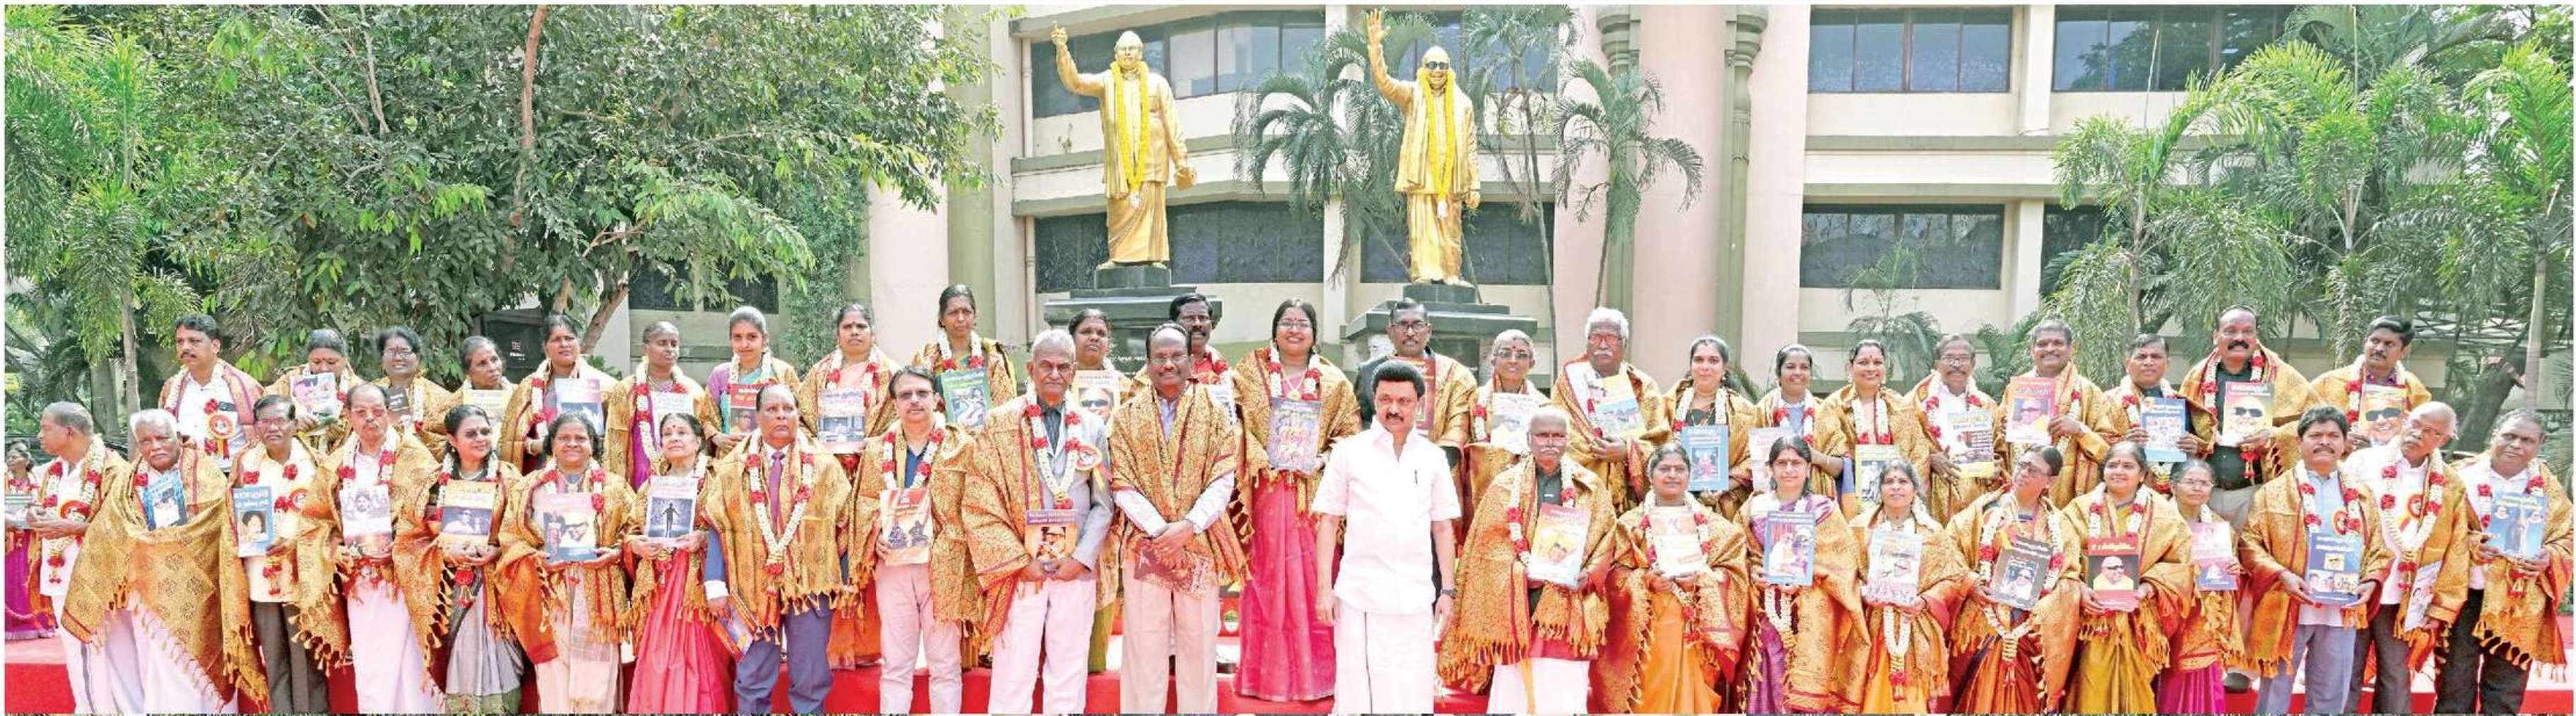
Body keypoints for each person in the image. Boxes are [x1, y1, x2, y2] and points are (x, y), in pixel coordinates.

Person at [59, 409, 262, 712]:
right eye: (145, 441)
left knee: (196, 676)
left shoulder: (204, 472)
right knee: (156, 668)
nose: (155, 447)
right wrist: (149, 543)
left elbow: (217, 526)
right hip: (148, 593)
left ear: (177, 437)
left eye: (162, 438)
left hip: (198, 595)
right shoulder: (129, 480)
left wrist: (165, 542)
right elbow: (110, 528)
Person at [967, 330, 1118, 713]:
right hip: (1021, 570)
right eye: (1045, 366)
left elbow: (1104, 502)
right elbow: (981, 499)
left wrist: (1081, 558)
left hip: (1073, 569)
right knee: (1013, 670)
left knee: (1068, 669)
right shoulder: (1000, 422)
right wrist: (1020, 562)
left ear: (1073, 372)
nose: (1054, 373)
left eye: (1063, 367)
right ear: (1030, 370)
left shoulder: (1092, 426)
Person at [1437, 407, 1619, 713]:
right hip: (1517, 608)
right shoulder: (1504, 486)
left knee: (1563, 696)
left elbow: (1607, 536)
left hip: (1568, 608)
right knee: (1514, 696)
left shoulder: (1589, 485)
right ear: (1529, 439)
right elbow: (1486, 549)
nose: (1550, 442)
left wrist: (1588, 575)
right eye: (1543, 435)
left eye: (1558, 436)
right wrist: (1520, 573)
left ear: (1568, 440)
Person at [1105, 325, 1240, 712]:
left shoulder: (1215, 412)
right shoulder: (1127, 416)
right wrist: (1161, 533)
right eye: (1160, 357)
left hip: (1198, 544)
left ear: (1190, 361)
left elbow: (1223, 477)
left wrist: (1189, 526)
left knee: (1198, 646)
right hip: (1145, 546)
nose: (1168, 364)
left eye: (1176, 356)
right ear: (1147, 364)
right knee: (1144, 644)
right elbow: (1122, 482)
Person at [1313, 359, 1461, 712]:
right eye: (1385, 400)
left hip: (1415, 594)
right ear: (1374, 400)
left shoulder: (1433, 458)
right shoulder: (1349, 452)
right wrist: (1324, 589)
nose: (1393, 409)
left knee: (1411, 685)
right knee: (1358, 690)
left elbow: (1442, 527)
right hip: (1360, 594)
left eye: (1404, 401)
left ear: (1419, 404)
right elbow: (1328, 521)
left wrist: (1448, 591)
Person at [1229, 300, 1359, 702]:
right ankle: (1264, 678)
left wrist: (1321, 460)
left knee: (1313, 579)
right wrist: (1261, 458)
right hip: (1266, 493)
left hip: (1314, 497)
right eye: (1287, 322)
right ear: (1275, 330)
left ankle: (1316, 677)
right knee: (1266, 580)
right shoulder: (1249, 372)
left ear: (1315, 334)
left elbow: (1350, 434)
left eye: (1303, 323)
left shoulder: (1334, 381)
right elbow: (1235, 423)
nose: (1295, 330)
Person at [704, 385, 856, 713]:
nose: (781, 416)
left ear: (799, 415)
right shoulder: (732, 467)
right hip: (751, 584)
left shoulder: (825, 466)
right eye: (772, 410)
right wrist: (714, 582)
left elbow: (845, 524)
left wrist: (844, 581)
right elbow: (717, 523)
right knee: (753, 674)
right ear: (757, 416)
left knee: (811, 674)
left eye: (788, 409)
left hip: (811, 584)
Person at [2241, 407, 2388, 715]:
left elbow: (2379, 548)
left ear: (2345, 443)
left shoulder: (2362, 495)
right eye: (2316, 435)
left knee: (2331, 694)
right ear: (2299, 442)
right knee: (2274, 692)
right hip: (2287, 603)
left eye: (2333, 436)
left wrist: (2371, 581)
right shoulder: (2273, 492)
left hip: (2341, 609)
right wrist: (2282, 575)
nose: (2325, 442)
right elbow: (2250, 544)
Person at [312, 383, 446, 712]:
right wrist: (335, 550)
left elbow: (433, 514)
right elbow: (315, 522)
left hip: (405, 577)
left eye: (377, 411)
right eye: (361, 412)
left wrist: (400, 546)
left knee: (410, 661)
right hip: (360, 581)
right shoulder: (334, 466)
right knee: (372, 661)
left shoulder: (416, 458)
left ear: (390, 413)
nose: (370, 419)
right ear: (348, 416)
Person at [852, 366, 974, 712]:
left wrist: (948, 541)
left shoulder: (962, 446)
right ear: (894, 404)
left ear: (937, 399)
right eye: (905, 395)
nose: (914, 400)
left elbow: (976, 502)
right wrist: (875, 536)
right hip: (893, 564)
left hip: (943, 565)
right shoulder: (878, 450)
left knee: (945, 662)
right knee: (895, 662)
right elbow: (863, 502)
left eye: (922, 393)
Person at [1595, 443, 1750, 713]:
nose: (1672, 475)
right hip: (1649, 633)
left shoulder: (1717, 528)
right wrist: (1646, 581)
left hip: (1695, 633)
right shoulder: (1630, 525)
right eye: (1664, 469)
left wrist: (1703, 580)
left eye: (1680, 469)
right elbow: (1612, 577)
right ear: (1650, 475)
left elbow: (1735, 577)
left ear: (1690, 476)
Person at [498, 412, 635, 712]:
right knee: (555, 674)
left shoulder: (614, 487)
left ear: (592, 444)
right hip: (550, 589)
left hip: (599, 589)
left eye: (580, 438)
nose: (572, 444)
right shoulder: (529, 487)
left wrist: (616, 552)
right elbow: (510, 538)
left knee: (597, 679)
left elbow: (633, 531)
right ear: (551, 444)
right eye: (564, 438)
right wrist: (535, 558)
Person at [2345, 403, 2471, 714]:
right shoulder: (2363, 462)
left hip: (2407, 595)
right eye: (2415, 424)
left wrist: (2441, 605)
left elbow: (2457, 547)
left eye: (2431, 431)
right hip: (2356, 586)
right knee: (2346, 669)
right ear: (2404, 420)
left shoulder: (2451, 483)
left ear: (2444, 439)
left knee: (2396, 673)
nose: (2417, 433)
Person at [2439, 410, 2568, 713]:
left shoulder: (2548, 487)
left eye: (2526, 440)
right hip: (2463, 596)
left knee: (2506, 690)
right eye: (2509, 436)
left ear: (2539, 443)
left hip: (2518, 601)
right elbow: (2436, 530)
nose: (2516, 445)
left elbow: (2567, 536)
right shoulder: (2460, 476)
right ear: (2495, 433)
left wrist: (2549, 557)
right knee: (2454, 684)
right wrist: (2471, 545)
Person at [1944, 446, 2083, 712]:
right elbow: (1949, 548)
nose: (2023, 473)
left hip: (2030, 625)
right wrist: (1971, 583)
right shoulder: (1985, 510)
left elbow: (2069, 577)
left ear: (2050, 481)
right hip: (1984, 617)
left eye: (2033, 470)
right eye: (2022, 465)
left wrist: (2046, 606)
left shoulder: (2060, 524)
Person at [1047, 23, 1197, 267]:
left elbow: (1172, 124)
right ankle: (1118, 258)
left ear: (1141, 52)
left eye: (1132, 48)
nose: (1127, 53)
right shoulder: (1107, 81)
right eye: (1123, 49)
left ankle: (1153, 259)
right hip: (1120, 166)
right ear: (1116, 53)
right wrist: (1062, 49)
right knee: (1119, 211)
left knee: (1152, 214)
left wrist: (1181, 161)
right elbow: (1076, 83)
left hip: (1152, 161)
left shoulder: (1158, 83)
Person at [2065, 441, 2191, 712]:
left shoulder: (2164, 512)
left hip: (2140, 615)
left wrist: (2147, 588)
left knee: (2137, 684)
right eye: (2112, 465)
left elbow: (2181, 564)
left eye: (2128, 466)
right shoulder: (2080, 508)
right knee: (2091, 677)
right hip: (2091, 615)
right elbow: (2062, 555)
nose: (2119, 471)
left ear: (2142, 474)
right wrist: (2078, 589)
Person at [1737, 436, 1860, 713]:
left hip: (1810, 612)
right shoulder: (1753, 508)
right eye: (1782, 463)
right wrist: (1753, 571)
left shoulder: (1825, 509)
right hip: (1766, 610)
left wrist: (1806, 575)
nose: (1789, 469)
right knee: (1767, 672)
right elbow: (1739, 555)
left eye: (1796, 463)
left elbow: (1843, 563)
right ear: (1771, 469)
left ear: (1808, 468)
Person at [425, 405, 533, 714]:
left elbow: (525, 528)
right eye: (470, 434)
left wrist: (498, 550)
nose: (480, 439)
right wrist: (446, 550)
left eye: (485, 431)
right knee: (461, 653)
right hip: (450, 584)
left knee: (500, 655)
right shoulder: (436, 481)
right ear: (452, 440)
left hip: (498, 584)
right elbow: (415, 533)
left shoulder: (508, 477)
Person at [28, 402, 134, 713]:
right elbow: (46, 512)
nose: (39, 436)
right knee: (78, 656)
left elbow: (127, 528)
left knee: (111, 657)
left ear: (69, 431)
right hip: (60, 577)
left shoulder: (114, 470)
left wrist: (73, 527)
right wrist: (35, 516)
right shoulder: (52, 472)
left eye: (46, 428)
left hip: (101, 582)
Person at [1363, 8, 1479, 285]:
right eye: (1432, 65)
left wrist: (1474, 184)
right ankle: (1425, 274)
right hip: (1421, 175)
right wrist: (1376, 47)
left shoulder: (1463, 103)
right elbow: (1385, 84)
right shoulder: (1413, 94)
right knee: (1422, 230)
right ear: (1424, 68)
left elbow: (1471, 145)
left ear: (1449, 69)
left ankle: (1451, 274)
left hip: (1451, 179)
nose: (1437, 71)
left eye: (1442, 66)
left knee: (1451, 229)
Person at [623, 412, 731, 712]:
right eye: (668, 433)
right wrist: (637, 545)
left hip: (699, 582)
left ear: (698, 442)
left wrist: (704, 538)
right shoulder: (651, 486)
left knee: (699, 654)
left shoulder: (717, 479)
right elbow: (630, 530)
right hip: (660, 579)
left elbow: (732, 525)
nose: (674, 438)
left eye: (682, 432)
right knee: (659, 653)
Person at [2179, 306, 2320, 531]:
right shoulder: (2197, 377)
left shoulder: (2282, 375)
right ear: (2216, 336)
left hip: (2255, 493)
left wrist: (2273, 436)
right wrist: (2192, 442)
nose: (2239, 338)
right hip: (2204, 493)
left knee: (2253, 553)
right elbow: (2183, 426)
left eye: (2247, 331)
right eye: (2230, 331)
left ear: (2256, 337)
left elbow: (2315, 423)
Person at [230, 395, 330, 712]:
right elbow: (231, 514)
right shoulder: (246, 463)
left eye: (280, 421)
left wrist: (294, 540)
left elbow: (327, 517)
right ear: (256, 426)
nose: (272, 428)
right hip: (261, 573)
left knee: (306, 655)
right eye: (265, 422)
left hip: (302, 571)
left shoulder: (314, 463)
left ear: (294, 425)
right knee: (273, 655)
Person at [1848, 462, 1967, 713]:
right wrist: (1864, 593)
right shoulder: (1859, 528)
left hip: (1917, 625)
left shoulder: (1932, 532)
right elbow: (1842, 574)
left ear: (1915, 489)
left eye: (1903, 482)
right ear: (1879, 489)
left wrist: (1925, 601)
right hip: (1871, 626)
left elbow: (1953, 577)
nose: (1896, 487)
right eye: (1889, 481)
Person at [1552, 307, 1671, 507]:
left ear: (1624, 344)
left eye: (1612, 338)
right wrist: (1599, 450)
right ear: (1587, 343)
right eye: (1595, 337)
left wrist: (1628, 451)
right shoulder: (1569, 382)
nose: (1603, 345)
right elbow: (1558, 434)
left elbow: (1660, 443)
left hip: (1629, 499)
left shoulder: (1643, 386)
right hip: (1579, 490)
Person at [2159, 459, 2245, 712]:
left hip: (2204, 618)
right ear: (2173, 486)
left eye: (2205, 483)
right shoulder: (2157, 520)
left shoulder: (2218, 526)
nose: (2198, 488)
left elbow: (2228, 572)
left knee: (2203, 679)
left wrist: (2234, 569)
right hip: (2167, 614)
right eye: (2191, 482)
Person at [1819, 340, 1934, 516]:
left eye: (1877, 362)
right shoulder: (1834, 406)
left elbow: (1919, 453)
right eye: (1864, 362)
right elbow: (1830, 452)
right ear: (1850, 368)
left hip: (1898, 495)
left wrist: (1906, 492)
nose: (1871, 368)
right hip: (1850, 495)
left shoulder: (1900, 405)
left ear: (1885, 369)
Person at [1351, 299, 1475, 461]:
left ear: (1429, 331)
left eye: (1417, 325)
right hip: (1381, 463)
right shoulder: (1369, 372)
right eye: (1402, 325)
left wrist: (1434, 462)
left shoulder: (1456, 375)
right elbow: (1359, 425)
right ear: (1390, 331)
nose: (1410, 332)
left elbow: (1459, 427)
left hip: (1437, 464)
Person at [2004, 320, 2111, 504]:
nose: (2050, 349)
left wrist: (2080, 430)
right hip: (2021, 494)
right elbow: (1999, 448)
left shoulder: (2089, 391)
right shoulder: (2016, 389)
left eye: (2058, 343)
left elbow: (2109, 453)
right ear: (2032, 350)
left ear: (2071, 349)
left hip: (2071, 498)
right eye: (2042, 344)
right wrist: (2004, 430)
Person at [603, 321, 719, 489]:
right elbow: (616, 440)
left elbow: (704, 433)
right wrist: (617, 487)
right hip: (641, 471)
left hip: (684, 474)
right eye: (662, 343)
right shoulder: (627, 389)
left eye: (674, 344)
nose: (669, 349)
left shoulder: (693, 391)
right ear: (645, 349)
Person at [499, 314, 618, 473]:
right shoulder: (528, 387)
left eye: (569, 338)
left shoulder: (604, 385)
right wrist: (534, 445)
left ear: (578, 343)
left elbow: (616, 437)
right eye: (556, 340)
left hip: (588, 470)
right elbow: (511, 434)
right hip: (542, 469)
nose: (564, 344)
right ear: (545, 348)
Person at [2099, 334, 2211, 494]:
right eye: (2141, 357)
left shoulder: (2183, 404)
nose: (2149, 362)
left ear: (2167, 364)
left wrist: (2192, 451)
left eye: (2156, 357)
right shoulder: (2106, 402)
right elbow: (2095, 449)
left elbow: (2199, 452)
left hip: (2173, 493)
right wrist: (2124, 445)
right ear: (2127, 364)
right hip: (2124, 492)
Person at [1663, 335, 1760, 518]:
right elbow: (1652, 446)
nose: (1705, 367)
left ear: (1724, 368)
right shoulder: (1668, 404)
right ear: (1691, 365)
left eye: (1713, 361)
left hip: (1723, 504)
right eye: (1699, 360)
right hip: (1673, 501)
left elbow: (1754, 459)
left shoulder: (1743, 411)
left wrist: (1724, 486)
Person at [2310, 316, 2434, 451]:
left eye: (2389, 344)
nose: (2379, 348)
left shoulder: (2414, 389)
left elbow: (2426, 434)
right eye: (2375, 341)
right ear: (2365, 342)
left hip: (2394, 462)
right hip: (2340, 461)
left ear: (2404, 351)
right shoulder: (2329, 382)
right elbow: (2302, 427)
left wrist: (2389, 447)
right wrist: (2337, 440)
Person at [1912, 333, 2004, 514]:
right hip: (1934, 492)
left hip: (1977, 493)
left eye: (1963, 358)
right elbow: (1905, 445)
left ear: (1973, 364)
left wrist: (1996, 466)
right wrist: (1929, 458)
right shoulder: (1917, 403)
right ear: (1937, 364)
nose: (1956, 364)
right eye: (1949, 358)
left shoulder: (1987, 405)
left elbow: (2000, 450)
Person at [160, 314, 264, 472]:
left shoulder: (244, 386)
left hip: (233, 477)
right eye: (180, 341)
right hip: (186, 477)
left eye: (194, 341)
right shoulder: (172, 388)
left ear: (215, 346)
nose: (185, 347)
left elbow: (263, 434)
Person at [914, 285, 1023, 430]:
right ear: (941, 318)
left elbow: (1005, 407)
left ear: (975, 316)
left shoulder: (992, 355)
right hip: (941, 437)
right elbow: (916, 403)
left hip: (986, 436)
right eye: (953, 313)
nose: (960, 318)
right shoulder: (927, 358)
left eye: (966, 312)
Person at [1461, 329, 1544, 515]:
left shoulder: (1542, 405)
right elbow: (1466, 440)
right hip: (1484, 481)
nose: (1513, 360)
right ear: (1493, 360)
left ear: (1532, 363)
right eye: (1505, 354)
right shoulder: (1477, 399)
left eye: (1521, 355)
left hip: (1526, 481)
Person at [707, 306, 803, 454]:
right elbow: (706, 418)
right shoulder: (720, 375)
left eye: (752, 337)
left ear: (765, 339)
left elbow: (801, 417)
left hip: (775, 456)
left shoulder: (783, 372)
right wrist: (716, 437)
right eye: (737, 337)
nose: (744, 344)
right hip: (731, 457)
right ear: (730, 340)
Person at [1756, 344, 1843, 499]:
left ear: (1810, 374)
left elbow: (1841, 468)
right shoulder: (1761, 411)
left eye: (1804, 367)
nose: (1798, 372)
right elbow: (1749, 464)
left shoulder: (1826, 412)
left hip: (1817, 500)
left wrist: (1817, 458)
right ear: (1778, 373)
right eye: (1790, 367)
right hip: (1772, 500)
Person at [264, 328, 365, 451]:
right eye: (316, 362)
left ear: (345, 360)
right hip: (297, 454)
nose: (324, 369)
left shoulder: (359, 390)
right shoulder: (290, 381)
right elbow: (264, 412)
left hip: (342, 455)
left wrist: (342, 434)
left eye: (331, 362)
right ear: (308, 360)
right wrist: (291, 424)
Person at [373, 326, 456, 454]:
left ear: (418, 358)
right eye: (391, 351)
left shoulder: (440, 397)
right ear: (382, 360)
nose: (398, 357)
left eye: (405, 351)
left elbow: (450, 440)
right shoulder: (368, 393)